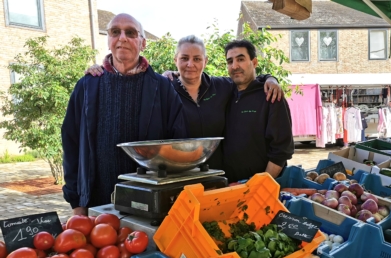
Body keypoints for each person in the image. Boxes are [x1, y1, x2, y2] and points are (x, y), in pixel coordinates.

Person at [86, 35, 284, 170]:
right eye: (185, 58)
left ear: (205, 61)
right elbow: (130, 80)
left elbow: (247, 80)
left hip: (217, 176)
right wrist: (101, 72)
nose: (191, 64)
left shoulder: (222, 87)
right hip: (178, 179)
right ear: (175, 60)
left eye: (197, 58)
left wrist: (270, 78)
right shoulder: (164, 89)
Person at [62, 13, 187, 215]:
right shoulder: (87, 85)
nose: (122, 38)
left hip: (149, 202)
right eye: (115, 32)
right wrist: (77, 202)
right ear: (109, 40)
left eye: (130, 32)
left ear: (143, 42)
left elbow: (178, 143)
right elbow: (71, 144)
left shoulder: (162, 87)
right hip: (96, 201)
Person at [223, 39, 294, 183]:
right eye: (230, 61)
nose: (235, 66)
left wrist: (258, 185)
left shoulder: (271, 96)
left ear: (254, 63)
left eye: (241, 59)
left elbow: (281, 150)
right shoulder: (224, 93)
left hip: (261, 189)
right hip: (229, 186)